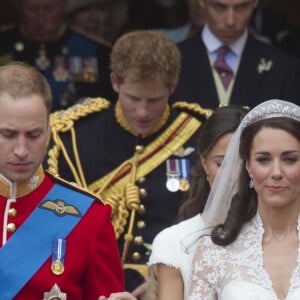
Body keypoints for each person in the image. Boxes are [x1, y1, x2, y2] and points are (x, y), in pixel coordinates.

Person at [45, 30, 211, 294]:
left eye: (154, 100)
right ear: (115, 82)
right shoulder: (72, 136)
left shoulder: (201, 135)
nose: (143, 111)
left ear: (173, 86)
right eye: (133, 99)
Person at [0, 61, 124, 299]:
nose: (21, 150)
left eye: (34, 135)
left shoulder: (88, 215)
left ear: (49, 129)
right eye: (8, 134)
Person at [98, 106, 248, 300]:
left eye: (242, 163)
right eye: (221, 164)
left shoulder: (289, 235)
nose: (232, 175)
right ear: (203, 161)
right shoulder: (174, 242)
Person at [188, 99, 300, 299]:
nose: (276, 172)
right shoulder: (214, 250)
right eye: (263, 159)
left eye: (289, 159)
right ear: (247, 165)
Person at [170, 0, 300, 109]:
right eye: (219, 7)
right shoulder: (172, 62)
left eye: (241, 7)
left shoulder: (284, 68)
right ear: (201, 2)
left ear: (255, 2)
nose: (230, 21)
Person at [0, 0, 116, 112]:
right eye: (32, 9)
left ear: (64, 6)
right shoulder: (4, 43)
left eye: (49, 9)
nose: (41, 19)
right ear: (19, 7)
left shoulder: (94, 51)